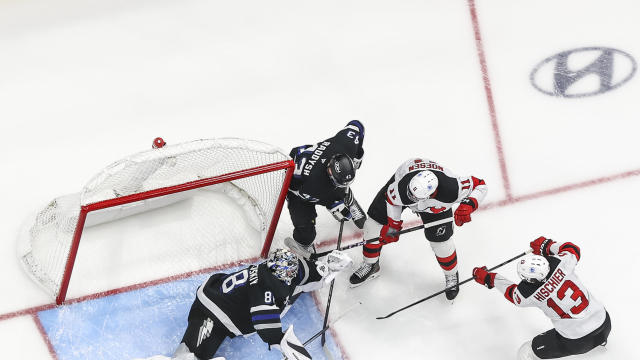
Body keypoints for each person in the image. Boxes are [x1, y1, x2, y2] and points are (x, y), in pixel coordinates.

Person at [172, 248, 353, 360]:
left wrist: (326, 267)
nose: (291, 275)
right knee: (190, 355)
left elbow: (303, 271)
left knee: (295, 287)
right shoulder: (264, 288)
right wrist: (283, 344)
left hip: (229, 302)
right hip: (211, 309)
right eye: (287, 275)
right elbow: (266, 325)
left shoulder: (281, 268)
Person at [349, 157, 488, 301]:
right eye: (409, 194)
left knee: (442, 244)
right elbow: (393, 201)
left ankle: (451, 274)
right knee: (372, 226)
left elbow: (481, 185)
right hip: (408, 176)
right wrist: (393, 225)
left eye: (413, 197)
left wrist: (468, 205)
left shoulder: (452, 188)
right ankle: (371, 264)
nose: (409, 199)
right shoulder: (402, 187)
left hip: (435, 206)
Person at [472, 237, 611, 359]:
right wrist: (547, 246)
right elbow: (573, 249)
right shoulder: (561, 262)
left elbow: (512, 293)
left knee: (525, 352)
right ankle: (600, 341)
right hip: (605, 323)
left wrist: (489, 278)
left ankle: (592, 343)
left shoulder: (526, 293)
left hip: (577, 341)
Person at [285, 120, 367, 257]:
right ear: (330, 171)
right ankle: (304, 244)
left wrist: (358, 154)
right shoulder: (314, 186)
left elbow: (357, 125)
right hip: (295, 185)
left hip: (313, 165)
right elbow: (306, 197)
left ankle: (348, 199)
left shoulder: (346, 144)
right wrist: (334, 205)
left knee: (339, 195)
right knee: (305, 230)